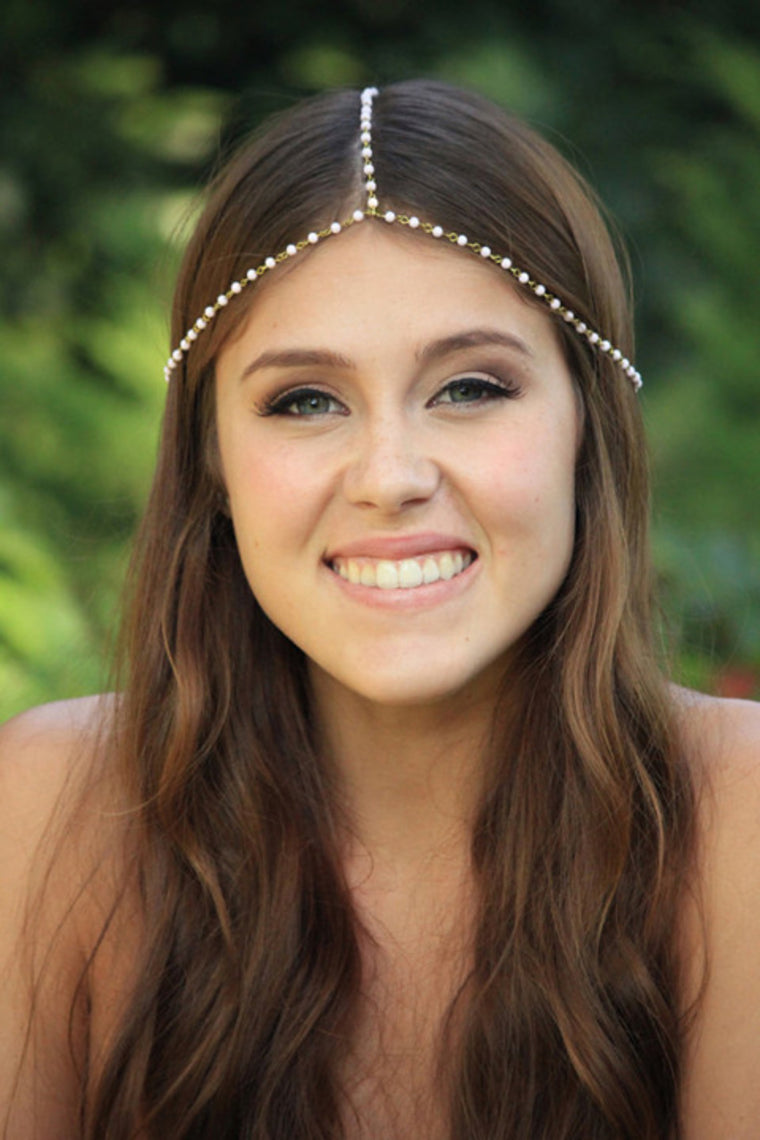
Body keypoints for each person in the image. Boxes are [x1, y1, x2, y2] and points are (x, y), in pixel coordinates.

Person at [0, 78, 758, 1140]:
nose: (390, 476)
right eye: (305, 401)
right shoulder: (53, 812)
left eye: (471, 388)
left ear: (587, 428)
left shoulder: (737, 816)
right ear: (212, 460)